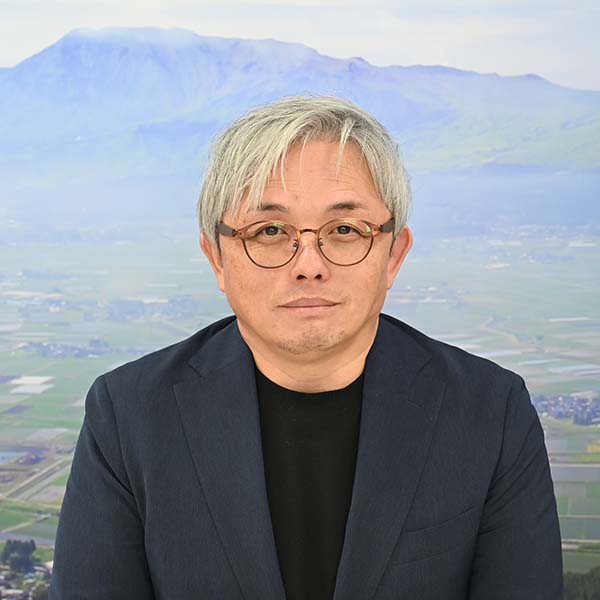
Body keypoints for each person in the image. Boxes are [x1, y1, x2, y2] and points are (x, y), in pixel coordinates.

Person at [49, 95, 563, 600]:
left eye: (345, 230)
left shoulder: (490, 411)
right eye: (270, 230)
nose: (309, 265)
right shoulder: (129, 415)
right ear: (217, 258)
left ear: (393, 254)